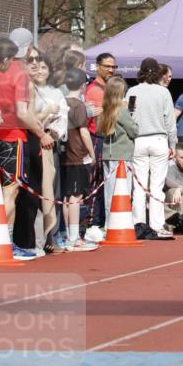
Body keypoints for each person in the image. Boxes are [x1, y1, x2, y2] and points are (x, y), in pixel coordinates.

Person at [0, 27, 52, 260]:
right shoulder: (20, 74)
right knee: (11, 190)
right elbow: (23, 113)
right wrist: (41, 133)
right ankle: (5, 242)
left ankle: (0, 240)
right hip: (13, 135)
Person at [131, 57, 177, 240]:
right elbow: (170, 122)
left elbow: (130, 116)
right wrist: (172, 144)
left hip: (139, 140)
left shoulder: (132, 91)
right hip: (159, 139)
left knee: (139, 186)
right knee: (157, 186)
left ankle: (138, 224)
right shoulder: (163, 92)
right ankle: (157, 226)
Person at [32, 53, 68, 253]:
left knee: (52, 191)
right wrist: (46, 115)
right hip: (33, 141)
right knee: (35, 190)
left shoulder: (56, 93)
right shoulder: (30, 90)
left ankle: (50, 236)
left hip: (50, 143)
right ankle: (35, 238)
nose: (40, 71)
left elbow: (63, 118)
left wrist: (56, 131)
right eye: (36, 68)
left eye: (44, 68)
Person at [61, 68, 98, 252]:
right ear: (83, 85)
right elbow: (84, 132)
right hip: (77, 154)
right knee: (75, 197)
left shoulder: (62, 102)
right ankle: (73, 238)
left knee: (68, 196)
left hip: (65, 153)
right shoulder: (78, 105)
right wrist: (91, 153)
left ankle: (69, 234)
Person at [99, 74, 139, 237]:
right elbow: (134, 131)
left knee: (109, 193)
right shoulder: (122, 110)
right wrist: (132, 116)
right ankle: (120, 224)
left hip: (108, 153)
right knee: (123, 191)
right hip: (122, 155)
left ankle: (109, 224)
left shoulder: (106, 108)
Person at [85, 52, 116, 233]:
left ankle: (99, 220)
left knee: (105, 181)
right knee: (96, 181)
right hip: (97, 138)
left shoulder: (108, 88)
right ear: (98, 67)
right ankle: (92, 222)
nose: (111, 70)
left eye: (113, 67)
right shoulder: (94, 90)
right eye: (107, 66)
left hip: (107, 138)